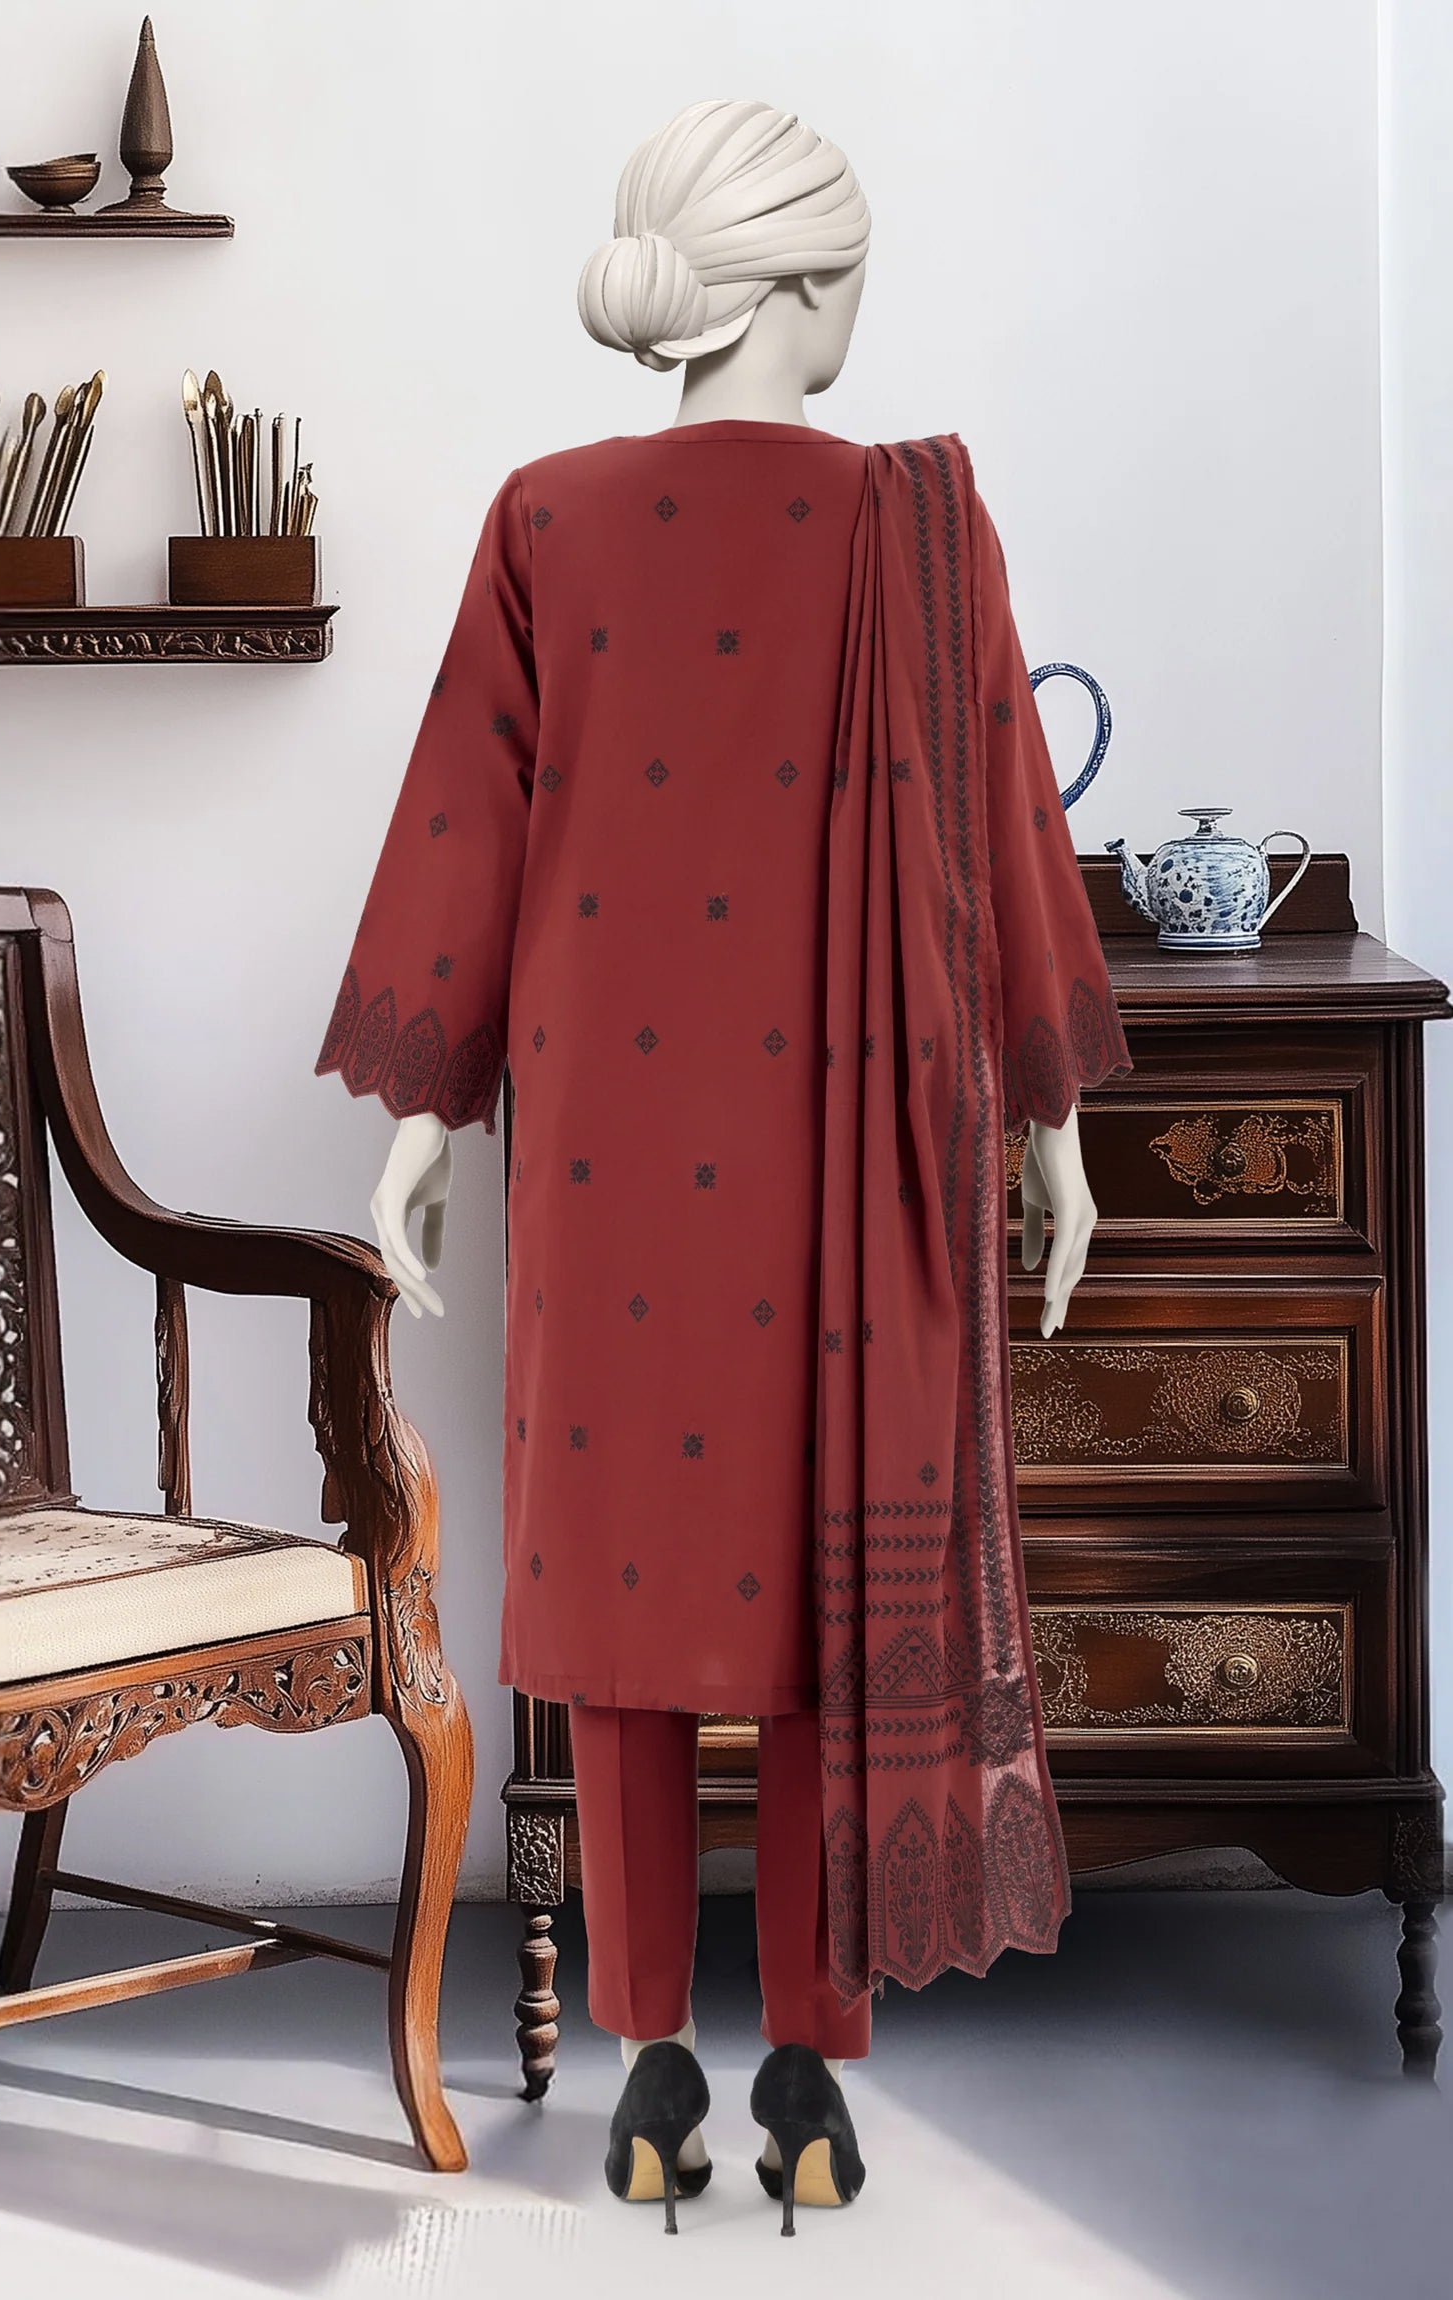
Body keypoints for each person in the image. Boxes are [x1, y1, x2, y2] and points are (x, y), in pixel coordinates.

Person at [315, 97, 1133, 2237]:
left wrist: (420, 1126)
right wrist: (1049, 1124)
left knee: (633, 1600)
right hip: (851, 1155)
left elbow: (469, 821)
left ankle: (648, 2065)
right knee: (831, 1586)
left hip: (606, 1138)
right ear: (800, 289)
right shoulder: (919, 526)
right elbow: (1010, 824)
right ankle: (813, 2079)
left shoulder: (546, 516)